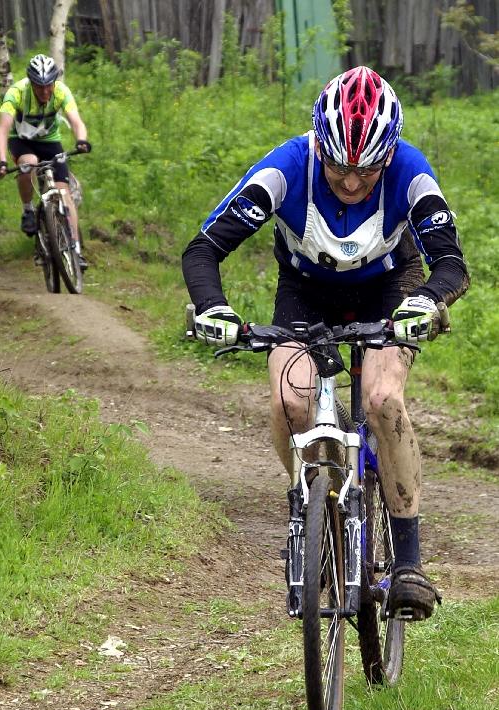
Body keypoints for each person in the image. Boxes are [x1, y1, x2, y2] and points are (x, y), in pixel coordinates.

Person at [182, 66, 470, 622]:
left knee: (383, 399)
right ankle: (307, 509)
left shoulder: (410, 170)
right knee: (290, 400)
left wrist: (427, 303)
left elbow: (451, 264)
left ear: (389, 152)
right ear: (319, 144)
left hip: (391, 287)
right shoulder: (287, 166)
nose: (352, 182)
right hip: (305, 293)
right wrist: (214, 308)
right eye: (338, 165)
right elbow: (203, 249)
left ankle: (408, 562)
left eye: (367, 168)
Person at [0, 54, 91, 269]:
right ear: (31, 82)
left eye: (49, 86)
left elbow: (76, 121)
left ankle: (75, 250)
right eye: (39, 87)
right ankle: (28, 209)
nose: (45, 91)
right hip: (22, 141)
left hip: (50, 142)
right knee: (28, 164)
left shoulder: (62, 92)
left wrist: (81, 139)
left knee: (64, 193)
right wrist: (1, 161)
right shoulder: (16, 93)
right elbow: (2, 130)